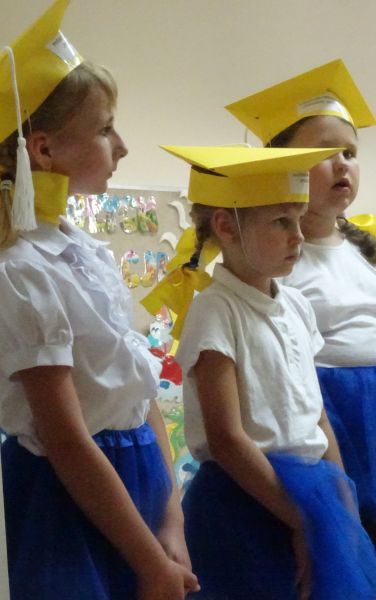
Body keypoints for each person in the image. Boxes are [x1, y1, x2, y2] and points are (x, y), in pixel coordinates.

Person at [225, 59, 376, 583]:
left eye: (351, 153)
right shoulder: (273, 265)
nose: (342, 165)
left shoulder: (373, 257)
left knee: (375, 571)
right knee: (325, 570)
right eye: (324, 153)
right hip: (317, 431)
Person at [0, 2, 198, 598]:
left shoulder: (83, 250)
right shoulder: (23, 271)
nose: (123, 146)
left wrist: (171, 516)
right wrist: (150, 562)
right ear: (43, 151)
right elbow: (65, 440)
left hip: (137, 484)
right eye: (106, 129)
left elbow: (138, 391)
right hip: (72, 497)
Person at [145, 145, 376, 600]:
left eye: (299, 219)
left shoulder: (296, 305)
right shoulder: (215, 311)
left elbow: (316, 415)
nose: (298, 236)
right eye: (281, 222)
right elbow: (226, 438)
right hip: (246, 501)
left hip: (311, 493)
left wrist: (343, 504)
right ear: (226, 227)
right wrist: (299, 520)